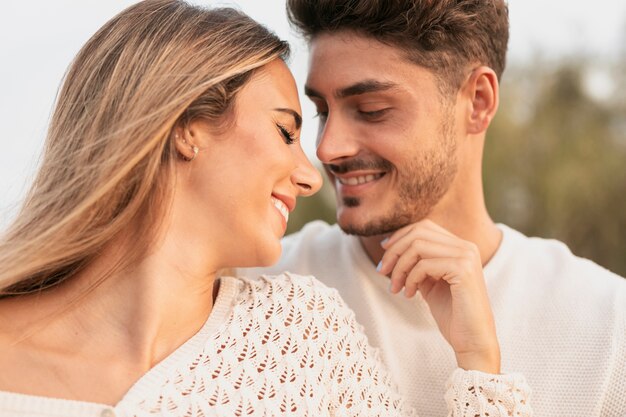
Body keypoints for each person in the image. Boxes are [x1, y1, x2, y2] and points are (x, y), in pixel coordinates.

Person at [0, 1, 533, 416]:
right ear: (186, 127)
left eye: (369, 109)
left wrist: (480, 366)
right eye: (287, 130)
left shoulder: (304, 337)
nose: (313, 169)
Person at [238, 0, 626, 416]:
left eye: (371, 111)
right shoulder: (253, 291)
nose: (326, 149)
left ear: (477, 101)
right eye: (322, 111)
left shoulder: (608, 330)